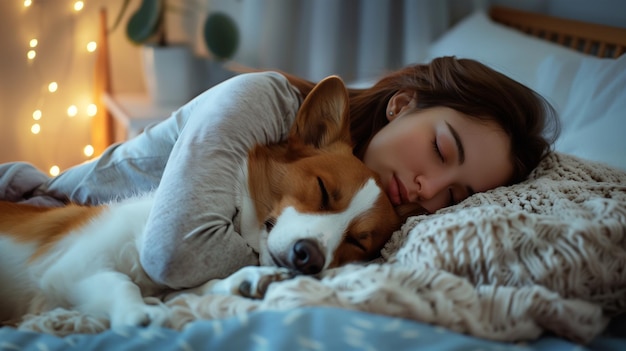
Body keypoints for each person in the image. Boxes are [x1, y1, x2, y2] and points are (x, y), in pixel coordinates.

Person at [1, 56, 559, 289]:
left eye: (457, 194)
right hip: (40, 217)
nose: (429, 189)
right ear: (402, 104)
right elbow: (172, 252)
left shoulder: (383, 220)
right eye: (440, 150)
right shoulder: (262, 101)